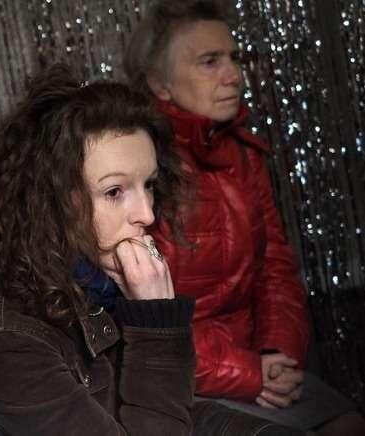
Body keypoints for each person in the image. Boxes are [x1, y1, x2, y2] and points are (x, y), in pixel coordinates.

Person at [0, 65, 303, 435]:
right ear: (49, 199)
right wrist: (157, 325)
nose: (146, 213)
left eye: (148, 185)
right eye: (114, 191)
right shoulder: (3, 342)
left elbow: (171, 413)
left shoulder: (77, 276)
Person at [125, 1, 365, 434]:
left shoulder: (244, 155)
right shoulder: (139, 167)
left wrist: (277, 353)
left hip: (256, 361)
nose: (234, 75)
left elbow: (275, 267)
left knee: (347, 424)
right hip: (185, 373)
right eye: (210, 61)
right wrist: (247, 374)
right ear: (160, 84)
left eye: (233, 58)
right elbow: (141, 316)